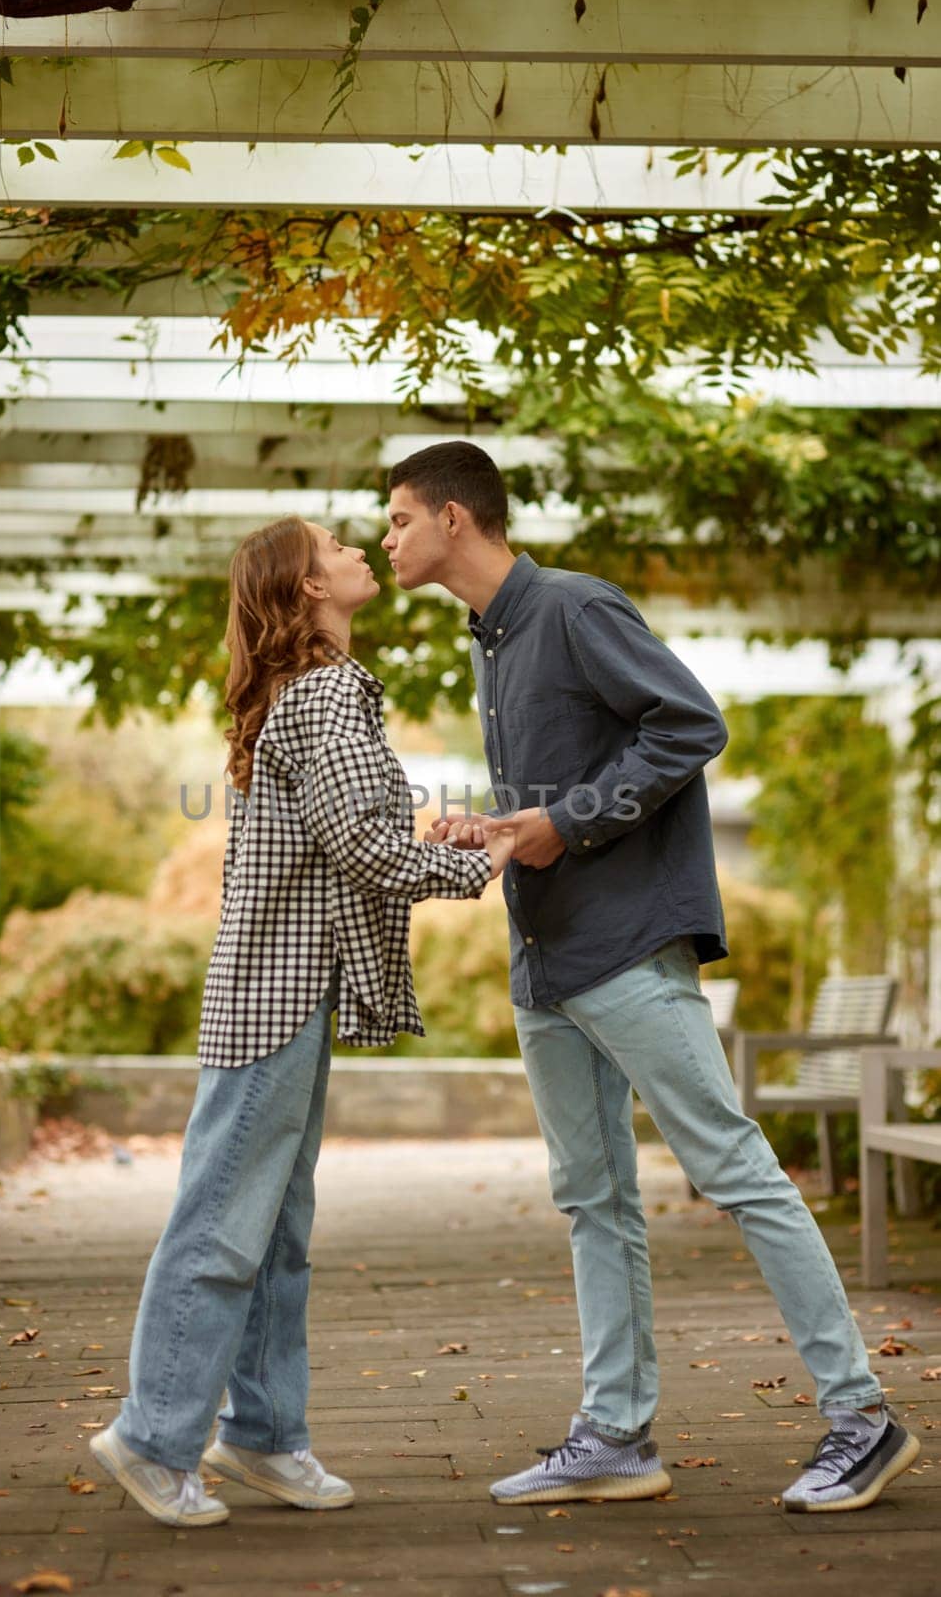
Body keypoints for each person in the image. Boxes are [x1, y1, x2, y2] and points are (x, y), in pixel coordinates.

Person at [381, 441, 920, 1515]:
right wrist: (504, 827)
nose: (388, 538)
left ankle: (863, 1416)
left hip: (626, 948)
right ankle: (616, 1435)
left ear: (454, 517)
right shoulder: (490, 640)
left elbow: (692, 724)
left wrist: (563, 824)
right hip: (546, 961)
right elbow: (564, 795)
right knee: (594, 1199)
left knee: (735, 1169)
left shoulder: (577, 609)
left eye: (397, 518)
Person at [91, 513, 513, 1527]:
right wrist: (481, 861)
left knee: (276, 1230)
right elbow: (365, 850)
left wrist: (437, 839)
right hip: (277, 998)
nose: (362, 547)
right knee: (224, 1222)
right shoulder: (323, 694)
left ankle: (266, 1434)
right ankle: (152, 1438)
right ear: (307, 591)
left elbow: (346, 842)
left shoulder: (322, 695)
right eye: (335, 546)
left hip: (293, 991)